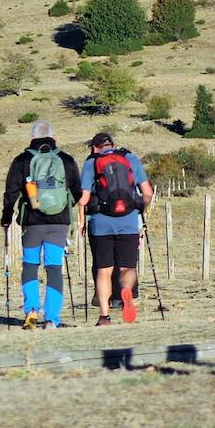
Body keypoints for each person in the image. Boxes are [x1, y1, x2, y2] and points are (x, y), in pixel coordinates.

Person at [2, 122, 81, 330]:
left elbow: (11, 192)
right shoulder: (65, 159)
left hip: (32, 221)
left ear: (32, 136)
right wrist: (64, 205)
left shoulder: (22, 160)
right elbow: (78, 192)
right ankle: (52, 319)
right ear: (54, 136)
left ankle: (31, 310)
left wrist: (6, 217)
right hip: (59, 222)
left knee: (30, 265)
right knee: (54, 267)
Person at [78, 134, 153, 326]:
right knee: (128, 266)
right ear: (114, 145)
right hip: (128, 222)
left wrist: (81, 221)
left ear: (94, 147)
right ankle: (126, 292)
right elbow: (148, 193)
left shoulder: (91, 162)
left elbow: (84, 199)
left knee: (104, 271)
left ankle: (104, 316)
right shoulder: (130, 159)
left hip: (101, 223)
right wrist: (140, 211)